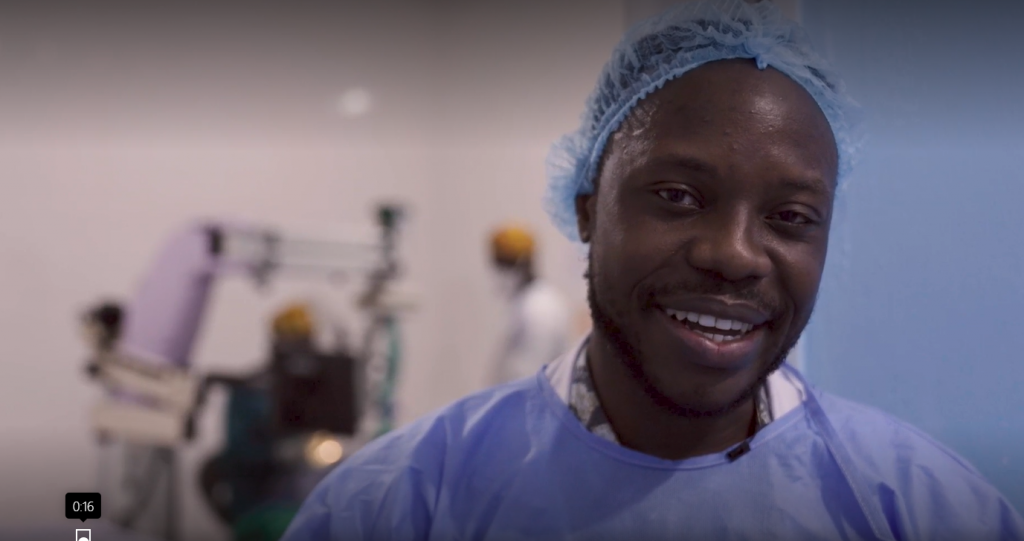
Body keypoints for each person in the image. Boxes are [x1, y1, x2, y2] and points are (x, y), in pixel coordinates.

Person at [282, 1, 1024, 539]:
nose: (734, 254)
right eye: (677, 196)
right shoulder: (396, 505)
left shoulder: (920, 506)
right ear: (586, 209)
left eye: (791, 216)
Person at [488, 224, 571, 386]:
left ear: (523, 263)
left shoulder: (540, 308)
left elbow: (528, 374)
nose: (501, 271)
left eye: (505, 263)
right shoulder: (525, 303)